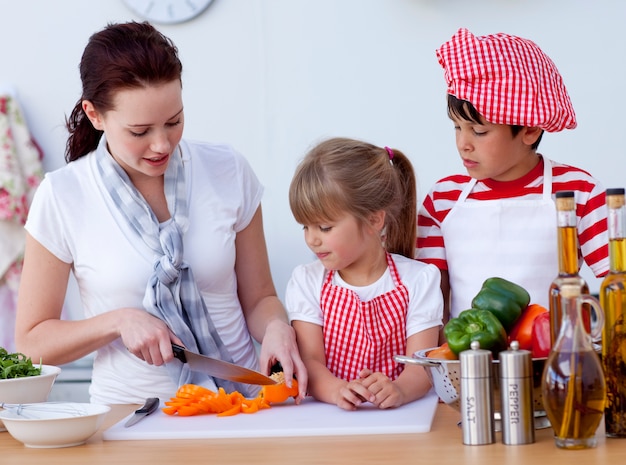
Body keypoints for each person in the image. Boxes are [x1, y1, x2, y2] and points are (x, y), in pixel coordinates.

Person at [14, 21, 307, 404]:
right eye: (139, 131)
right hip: (132, 416)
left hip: (244, 402)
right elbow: (32, 343)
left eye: (174, 122)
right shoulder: (62, 195)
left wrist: (276, 327)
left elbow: (259, 299)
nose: (161, 144)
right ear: (95, 114)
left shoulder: (228, 171)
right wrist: (117, 322)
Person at [417, 28, 609, 329]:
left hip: (555, 364)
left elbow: (617, 282)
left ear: (530, 130)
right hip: (467, 363)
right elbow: (429, 301)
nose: (463, 143)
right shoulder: (443, 198)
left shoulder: (577, 192)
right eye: (457, 127)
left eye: (479, 132)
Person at [285, 137, 443, 411]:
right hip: (329, 420)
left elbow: (422, 366)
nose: (312, 239)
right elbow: (310, 362)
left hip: (400, 420)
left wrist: (399, 390)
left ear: (373, 220)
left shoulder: (419, 280)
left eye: (324, 227)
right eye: (305, 227)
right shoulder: (307, 281)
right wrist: (337, 391)